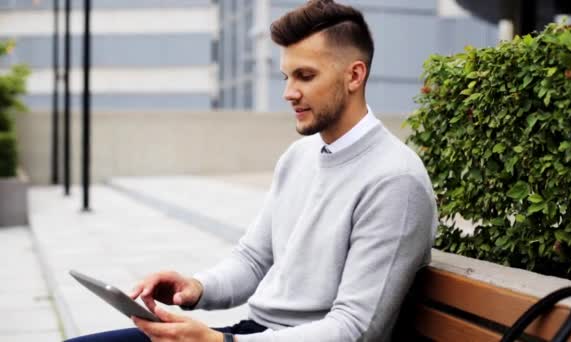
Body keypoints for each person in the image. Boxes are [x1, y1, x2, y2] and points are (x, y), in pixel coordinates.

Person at [67, 1, 437, 341]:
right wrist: (195, 287)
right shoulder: (300, 156)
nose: (289, 93)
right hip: (254, 333)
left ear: (354, 76)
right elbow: (253, 258)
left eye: (305, 76)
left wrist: (222, 341)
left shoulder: (395, 181)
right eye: (286, 76)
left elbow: (355, 329)